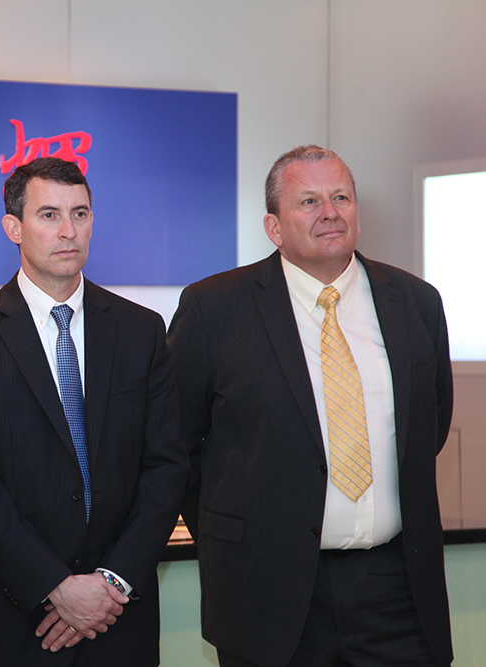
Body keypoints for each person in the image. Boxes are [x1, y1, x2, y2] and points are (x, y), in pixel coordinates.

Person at [167, 145, 453, 667]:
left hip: (397, 591)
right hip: (264, 592)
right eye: (309, 201)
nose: (330, 213)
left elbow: (428, 427)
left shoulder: (417, 302)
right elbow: (175, 444)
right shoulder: (213, 309)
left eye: (341, 197)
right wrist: (235, 532)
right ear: (274, 227)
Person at [0, 157, 187, 666]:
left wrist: (111, 583)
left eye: (80, 214)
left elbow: (167, 465)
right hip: (13, 616)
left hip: (118, 617)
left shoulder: (141, 330)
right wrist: (54, 586)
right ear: (14, 228)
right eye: (49, 215)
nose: (68, 231)